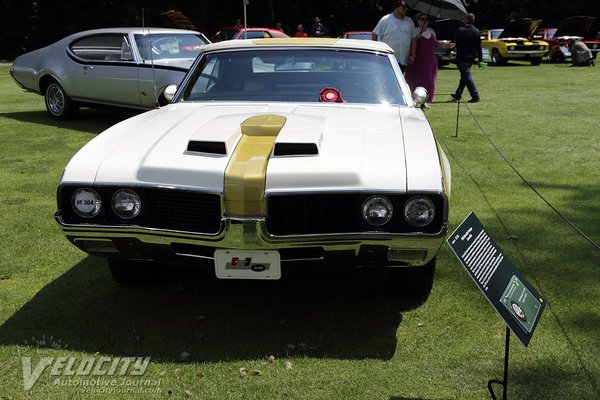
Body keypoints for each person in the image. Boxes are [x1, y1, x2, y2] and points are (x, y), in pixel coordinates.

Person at [405, 13, 453, 104]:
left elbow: (436, 43)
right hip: (418, 61)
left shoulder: (431, 31)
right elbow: (410, 44)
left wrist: (446, 45)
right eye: (422, 19)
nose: (425, 21)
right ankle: (415, 99)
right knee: (416, 80)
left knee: (430, 81)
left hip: (430, 61)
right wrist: (415, 39)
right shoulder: (415, 31)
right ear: (418, 21)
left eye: (426, 19)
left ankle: (427, 100)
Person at [372, 0, 418, 72]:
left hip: (403, 59)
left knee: (398, 81)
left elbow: (414, 38)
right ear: (396, 8)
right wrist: (375, 51)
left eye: (406, 9)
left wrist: (413, 55)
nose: (405, 10)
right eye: (402, 8)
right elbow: (375, 33)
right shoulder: (386, 19)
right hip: (387, 58)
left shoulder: (409, 21)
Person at [451, 13, 482, 103]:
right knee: (464, 76)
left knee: (467, 76)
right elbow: (479, 47)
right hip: (471, 58)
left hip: (462, 57)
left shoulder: (460, 30)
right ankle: (458, 93)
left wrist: (447, 52)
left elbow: (453, 43)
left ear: (466, 20)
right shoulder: (477, 31)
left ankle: (475, 96)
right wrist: (481, 59)